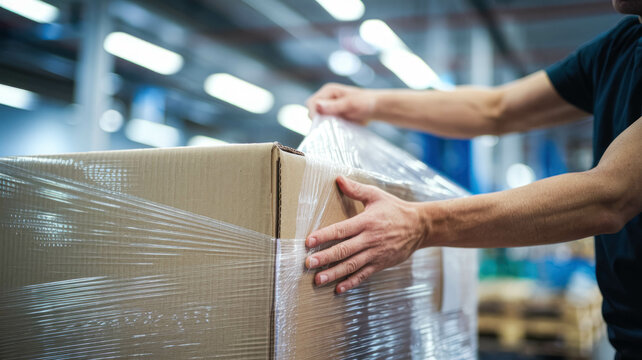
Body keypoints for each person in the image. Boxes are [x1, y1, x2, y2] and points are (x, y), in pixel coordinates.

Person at [304, 2, 642, 357]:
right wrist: (370, 103)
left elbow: (610, 194)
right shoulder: (620, 45)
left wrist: (422, 223)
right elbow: (495, 108)